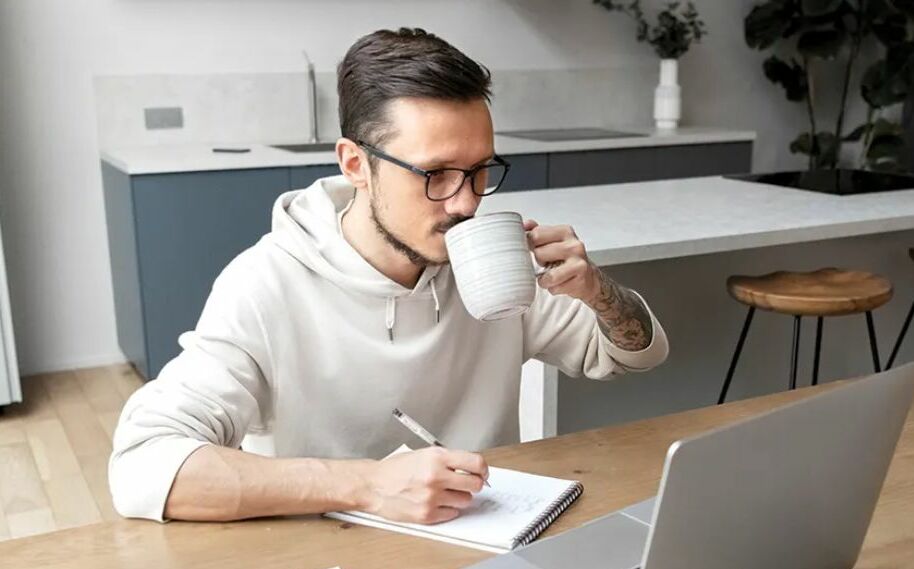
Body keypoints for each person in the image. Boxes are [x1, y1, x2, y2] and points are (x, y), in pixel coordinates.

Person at [109, 27, 668, 525]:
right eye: (436, 174)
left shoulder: (490, 264)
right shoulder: (265, 283)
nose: (464, 202)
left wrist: (599, 292)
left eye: (479, 171)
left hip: (491, 541)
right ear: (356, 164)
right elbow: (143, 464)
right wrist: (367, 486)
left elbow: (633, 354)